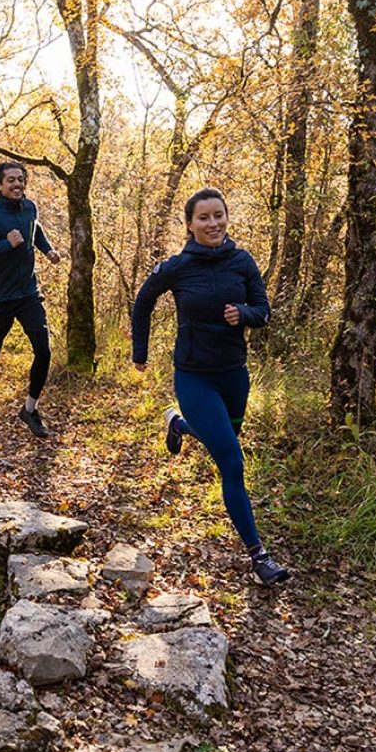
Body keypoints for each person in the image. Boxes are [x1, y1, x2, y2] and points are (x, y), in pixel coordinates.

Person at [131, 188, 292, 584]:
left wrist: (245, 315)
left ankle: (179, 425)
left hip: (234, 374)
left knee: (223, 443)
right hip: (194, 375)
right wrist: (140, 350)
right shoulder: (177, 266)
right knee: (233, 462)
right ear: (190, 224)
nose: (213, 223)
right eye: (203, 217)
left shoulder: (242, 261)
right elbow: (143, 301)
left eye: (218, 215)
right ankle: (259, 557)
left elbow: (264, 309)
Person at [0, 161, 61, 437]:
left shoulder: (30, 207)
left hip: (28, 293)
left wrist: (48, 250)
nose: (17, 185)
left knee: (44, 351)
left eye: (21, 180)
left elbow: (35, 230)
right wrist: (6, 244)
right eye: (11, 181)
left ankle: (30, 409)